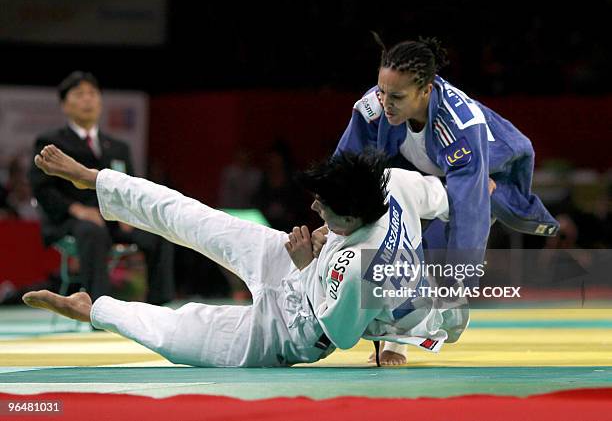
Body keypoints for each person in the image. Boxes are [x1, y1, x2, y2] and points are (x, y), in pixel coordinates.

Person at [24, 144, 457, 367]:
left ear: (354, 216)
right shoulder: (392, 183)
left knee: (182, 336)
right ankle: (95, 180)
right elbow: (442, 195)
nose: (313, 209)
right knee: (195, 218)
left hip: (292, 330)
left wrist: (309, 268)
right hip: (286, 257)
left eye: (324, 208)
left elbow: (340, 333)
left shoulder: (368, 267)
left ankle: (96, 308)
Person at [334, 36, 560, 364]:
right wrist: (330, 215)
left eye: (397, 96)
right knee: (381, 216)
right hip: (422, 166)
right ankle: (396, 329)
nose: (386, 102)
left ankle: (402, 339)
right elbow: (344, 165)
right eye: (382, 91)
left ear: (425, 90)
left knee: (443, 237)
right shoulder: (375, 106)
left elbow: (468, 212)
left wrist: (458, 282)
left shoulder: (459, 127)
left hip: (492, 167)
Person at [29, 71, 174, 304]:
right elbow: (42, 188)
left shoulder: (118, 147)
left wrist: (129, 213)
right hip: (71, 221)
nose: (87, 100)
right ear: (65, 105)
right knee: (92, 231)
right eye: (79, 94)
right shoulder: (51, 143)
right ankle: (100, 308)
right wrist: (77, 209)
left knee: (158, 232)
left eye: (92, 94)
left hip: (113, 218)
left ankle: (160, 306)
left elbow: (130, 185)